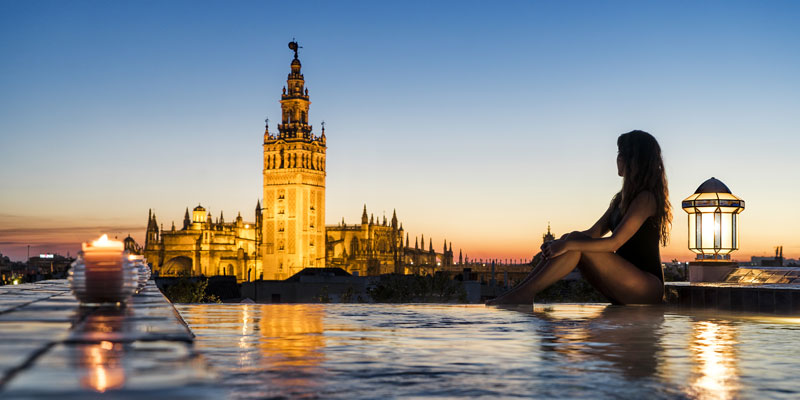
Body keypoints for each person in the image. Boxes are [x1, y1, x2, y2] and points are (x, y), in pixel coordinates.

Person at [488, 130, 671, 305]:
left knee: (573, 241)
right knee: (573, 237)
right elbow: (593, 233)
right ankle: (519, 292)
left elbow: (614, 243)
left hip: (646, 287)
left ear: (635, 160)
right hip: (624, 279)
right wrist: (559, 243)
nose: (618, 158)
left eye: (622, 153)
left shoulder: (646, 198)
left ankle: (523, 294)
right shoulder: (621, 199)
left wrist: (567, 244)